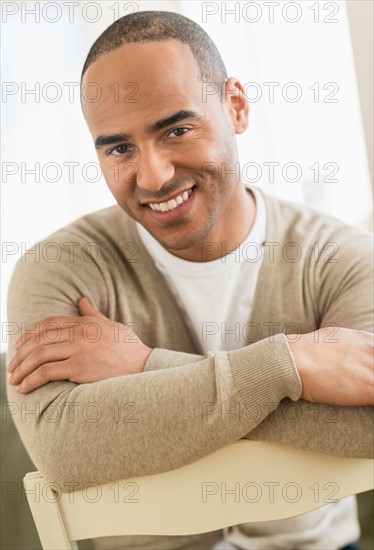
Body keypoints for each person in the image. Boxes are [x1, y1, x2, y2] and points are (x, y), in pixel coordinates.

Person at [6, 10, 373, 550]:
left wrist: (144, 367)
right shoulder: (59, 267)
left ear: (237, 107)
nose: (153, 176)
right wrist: (289, 366)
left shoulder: (339, 257)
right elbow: (65, 451)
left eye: (176, 129)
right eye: (118, 148)